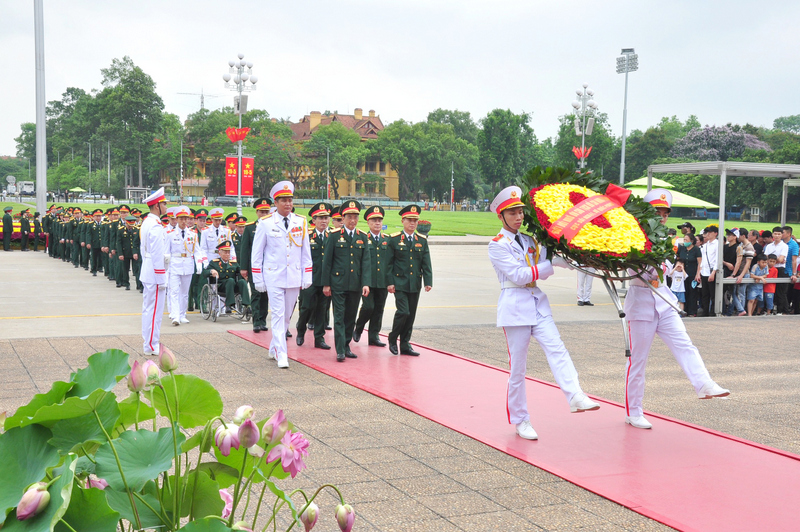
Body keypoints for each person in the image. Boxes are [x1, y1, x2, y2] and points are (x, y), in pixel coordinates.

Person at [488, 186, 599, 441]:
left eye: (520, 212)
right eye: (512, 213)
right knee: (518, 368)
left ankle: (575, 395)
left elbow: (555, 256)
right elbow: (518, 275)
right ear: (501, 216)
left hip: (537, 303)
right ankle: (520, 419)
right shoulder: (496, 245)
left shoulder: (529, 240)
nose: (518, 217)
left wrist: (580, 257)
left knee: (557, 348)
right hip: (515, 307)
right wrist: (551, 264)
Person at [624, 189, 729, 430]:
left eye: (664, 212)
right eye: (656, 212)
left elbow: (668, 270)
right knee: (638, 362)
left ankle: (704, 383)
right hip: (641, 304)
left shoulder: (664, 239)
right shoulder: (630, 236)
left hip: (665, 301)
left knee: (685, 344)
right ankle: (634, 411)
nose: (661, 216)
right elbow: (641, 271)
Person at [251, 181, 312, 369]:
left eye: (290, 200)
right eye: (283, 200)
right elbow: (257, 254)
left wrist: (307, 275)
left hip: (293, 276)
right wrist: (258, 279)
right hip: (273, 276)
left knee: (286, 316)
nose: (288, 204)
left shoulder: (300, 222)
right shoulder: (266, 223)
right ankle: (282, 353)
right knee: (277, 314)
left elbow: (305, 253)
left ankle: (273, 347)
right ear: (275, 203)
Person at [322, 200, 371, 362]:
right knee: (339, 316)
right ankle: (340, 349)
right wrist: (326, 284)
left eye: (355, 217)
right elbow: (327, 261)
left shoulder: (362, 237)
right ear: (343, 218)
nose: (353, 220)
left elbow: (366, 262)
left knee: (350, 316)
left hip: (355, 284)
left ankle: (347, 345)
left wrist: (365, 283)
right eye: (349, 217)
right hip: (338, 283)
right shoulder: (335, 236)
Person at [385, 205, 433, 357]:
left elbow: (426, 263)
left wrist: (428, 281)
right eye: (409, 220)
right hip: (399, 282)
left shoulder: (422, 240)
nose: (412, 223)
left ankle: (405, 344)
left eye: (415, 221)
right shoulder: (394, 239)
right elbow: (388, 263)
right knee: (403, 312)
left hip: (414, 283)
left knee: (411, 315)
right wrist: (390, 282)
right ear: (403, 221)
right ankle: (393, 338)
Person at [296, 202, 333, 349]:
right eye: (320, 218)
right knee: (306, 307)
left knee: (322, 309)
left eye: (326, 217)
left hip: (325, 280)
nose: (324, 221)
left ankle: (319, 338)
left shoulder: (332, 236)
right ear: (314, 220)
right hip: (309, 279)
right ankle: (300, 331)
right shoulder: (307, 236)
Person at [354, 205, 391, 347]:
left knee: (379, 309)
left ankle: (374, 336)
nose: (377, 223)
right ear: (368, 223)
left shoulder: (387, 240)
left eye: (379, 220)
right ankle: (358, 327)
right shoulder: (363, 238)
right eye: (374, 220)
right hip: (367, 281)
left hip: (382, 281)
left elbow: (390, 262)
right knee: (368, 307)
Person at [140, 188, 169, 356]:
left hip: (148, 270)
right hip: (155, 272)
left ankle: (149, 342)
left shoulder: (147, 222)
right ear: (157, 206)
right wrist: (162, 278)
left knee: (148, 308)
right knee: (154, 311)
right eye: (164, 203)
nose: (166, 206)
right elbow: (158, 254)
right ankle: (152, 344)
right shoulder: (156, 225)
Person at [239, 198, 272, 334]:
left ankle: (263, 321)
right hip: (255, 267)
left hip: (270, 266)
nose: (264, 214)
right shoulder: (251, 227)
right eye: (261, 212)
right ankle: (256, 322)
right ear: (257, 212)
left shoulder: (273, 226)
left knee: (266, 295)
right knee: (256, 294)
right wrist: (244, 268)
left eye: (266, 211)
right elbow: (245, 249)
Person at [167, 206, 199, 325]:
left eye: (186, 218)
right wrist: (166, 268)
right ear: (177, 219)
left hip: (188, 264)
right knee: (174, 291)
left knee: (184, 292)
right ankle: (175, 315)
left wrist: (200, 262)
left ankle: (182, 314)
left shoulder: (193, 234)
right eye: (181, 218)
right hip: (175, 263)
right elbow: (166, 252)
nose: (183, 221)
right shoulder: (170, 234)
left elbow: (197, 250)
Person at [202, 240, 250, 314]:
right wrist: (211, 271)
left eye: (228, 252)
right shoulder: (214, 263)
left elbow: (240, 272)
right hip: (221, 286)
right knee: (230, 280)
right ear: (220, 253)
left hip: (232, 286)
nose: (227, 254)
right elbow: (204, 273)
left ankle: (247, 305)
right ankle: (229, 305)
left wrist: (245, 276)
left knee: (242, 282)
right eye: (225, 252)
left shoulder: (234, 263)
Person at [764, 227, 788, 314]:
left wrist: (771, 260)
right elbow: (765, 258)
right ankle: (768, 310)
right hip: (769, 269)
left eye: (779, 234)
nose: (777, 236)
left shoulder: (784, 246)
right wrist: (774, 260)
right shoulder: (769, 246)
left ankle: (780, 311)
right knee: (769, 289)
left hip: (780, 269)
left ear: (782, 235)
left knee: (780, 291)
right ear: (772, 234)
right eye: (775, 233)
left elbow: (781, 259)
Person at [678, 233, 702, 316]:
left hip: (693, 273)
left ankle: (692, 311)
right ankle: (685, 310)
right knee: (684, 291)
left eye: (686, 240)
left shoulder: (696, 250)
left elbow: (699, 263)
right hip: (683, 274)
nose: (685, 241)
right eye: (684, 240)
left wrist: (698, 274)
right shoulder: (682, 249)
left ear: (691, 241)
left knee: (692, 292)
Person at [698, 225, 719, 316]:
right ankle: (705, 312)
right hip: (704, 271)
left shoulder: (717, 244)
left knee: (713, 294)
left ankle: (713, 312)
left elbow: (717, 259)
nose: (708, 234)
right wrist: (699, 272)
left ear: (715, 233)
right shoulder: (705, 246)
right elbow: (702, 260)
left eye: (710, 232)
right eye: (707, 232)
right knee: (705, 294)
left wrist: (714, 272)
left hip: (712, 272)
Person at [781, 226, 798, 313]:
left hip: (788, 271)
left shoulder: (794, 245)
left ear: (789, 234)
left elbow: (794, 260)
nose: (781, 234)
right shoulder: (780, 243)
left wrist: (794, 274)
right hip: (780, 270)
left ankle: (786, 310)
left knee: (785, 293)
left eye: (782, 232)